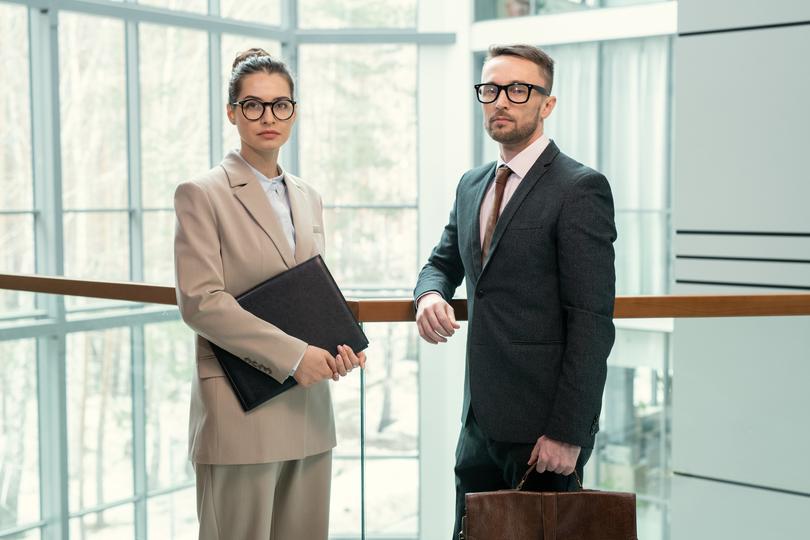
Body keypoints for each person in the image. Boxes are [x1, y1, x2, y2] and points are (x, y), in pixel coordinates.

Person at [413, 44, 616, 538]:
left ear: (547, 104)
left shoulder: (579, 188)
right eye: (490, 89)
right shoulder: (472, 184)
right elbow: (440, 263)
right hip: (478, 421)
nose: (500, 101)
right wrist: (430, 295)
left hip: (543, 428)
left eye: (518, 90)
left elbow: (592, 319)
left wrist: (568, 433)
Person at [174, 48, 366, 540]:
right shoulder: (202, 193)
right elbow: (201, 301)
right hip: (241, 413)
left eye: (281, 105)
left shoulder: (308, 196)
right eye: (254, 105)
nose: (268, 117)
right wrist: (294, 354)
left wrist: (336, 349)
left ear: (294, 112)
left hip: (310, 410)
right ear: (232, 112)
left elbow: (308, 293)